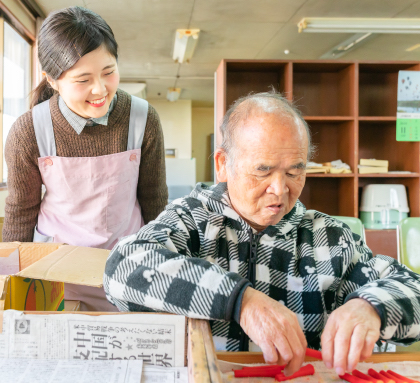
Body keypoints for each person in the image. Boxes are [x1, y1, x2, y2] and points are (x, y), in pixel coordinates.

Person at [104, 92, 420, 376]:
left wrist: (371, 307)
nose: (280, 189)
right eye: (263, 171)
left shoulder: (330, 238)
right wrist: (241, 301)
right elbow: (122, 268)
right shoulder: (192, 220)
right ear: (223, 164)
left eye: (295, 171)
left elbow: (412, 288)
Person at [3, 7, 168, 310]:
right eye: (83, 80)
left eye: (108, 72)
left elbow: (155, 203)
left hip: (127, 270)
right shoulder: (28, 131)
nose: (100, 89)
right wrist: (8, 287)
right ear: (52, 80)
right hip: (55, 276)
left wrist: (165, 272)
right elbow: (20, 214)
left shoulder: (143, 119)